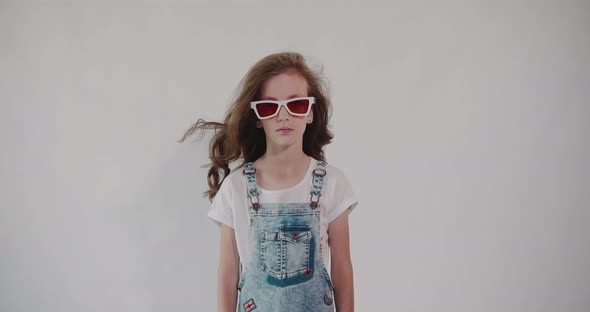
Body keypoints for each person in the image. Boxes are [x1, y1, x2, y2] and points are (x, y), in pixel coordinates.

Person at [179, 51, 359, 312]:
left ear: (310, 112)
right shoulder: (236, 187)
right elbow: (228, 273)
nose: (283, 116)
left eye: (296, 105)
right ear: (257, 118)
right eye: (269, 107)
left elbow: (343, 268)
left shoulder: (332, 183)